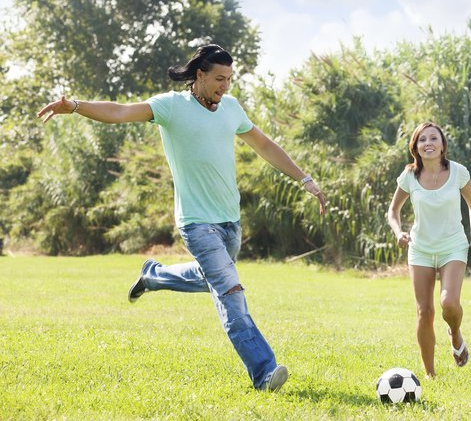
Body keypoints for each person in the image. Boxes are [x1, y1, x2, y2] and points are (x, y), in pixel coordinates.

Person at [37, 44, 326, 392]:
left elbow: (264, 145)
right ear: (200, 76)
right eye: (219, 79)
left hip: (229, 220)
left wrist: (304, 178)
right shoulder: (171, 106)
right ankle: (264, 371)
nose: (225, 86)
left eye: (230, 79)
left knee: (214, 280)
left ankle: (154, 276)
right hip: (195, 222)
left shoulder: (231, 108)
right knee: (230, 292)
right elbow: (120, 111)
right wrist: (77, 106)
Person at [387, 122, 471, 378]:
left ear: (442, 146)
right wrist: (399, 232)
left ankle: (455, 333)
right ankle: (430, 374)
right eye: (422, 140)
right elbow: (393, 211)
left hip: (453, 245)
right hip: (420, 249)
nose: (427, 143)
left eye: (433, 139)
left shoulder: (458, 172)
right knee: (424, 312)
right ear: (415, 147)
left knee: (448, 303)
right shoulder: (409, 176)